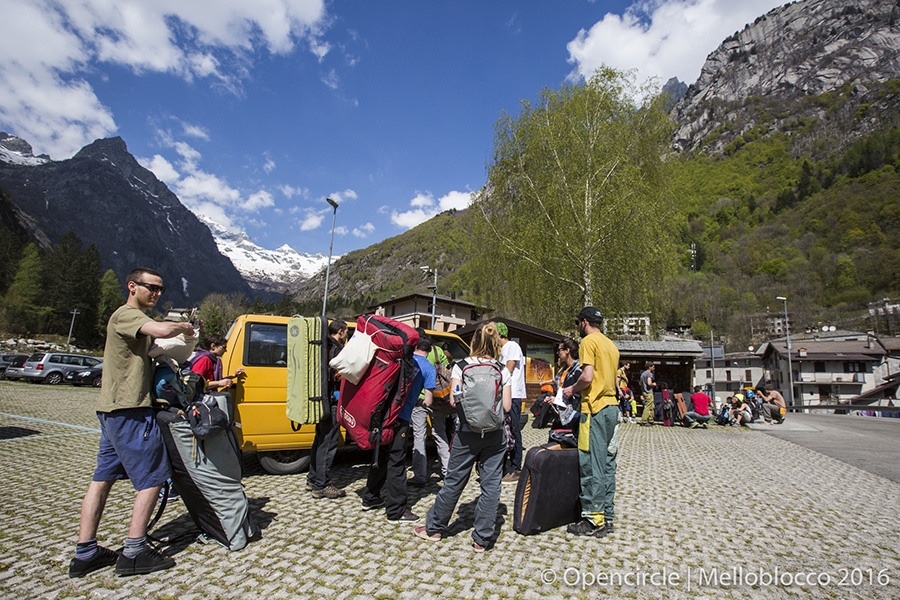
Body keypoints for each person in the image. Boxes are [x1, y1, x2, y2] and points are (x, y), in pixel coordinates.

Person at [69, 268, 196, 578]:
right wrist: (184, 326)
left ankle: (86, 552)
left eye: (161, 289)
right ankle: (135, 552)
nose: (156, 293)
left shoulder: (132, 320)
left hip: (112, 411)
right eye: (151, 287)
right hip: (130, 409)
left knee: (102, 478)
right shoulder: (128, 314)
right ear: (132, 286)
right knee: (154, 477)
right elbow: (162, 331)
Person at [415, 322, 512, 551]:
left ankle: (435, 527)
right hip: (495, 435)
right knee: (491, 485)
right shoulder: (502, 369)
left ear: (474, 342)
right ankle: (483, 539)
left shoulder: (460, 366)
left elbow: (453, 400)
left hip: (467, 432)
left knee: (455, 480)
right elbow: (507, 406)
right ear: (495, 342)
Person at [361, 334, 435, 522]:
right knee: (396, 461)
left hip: (383, 413)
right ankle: (396, 511)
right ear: (431, 350)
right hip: (400, 417)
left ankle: (370, 497)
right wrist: (416, 403)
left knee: (381, 456)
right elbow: (428, 400)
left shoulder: (402, 359)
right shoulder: (427, 367)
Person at [563, 307, 620, 538]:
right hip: (612, 409)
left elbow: (587, 377)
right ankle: (606, 514)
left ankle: (592, 518)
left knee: (591, 462)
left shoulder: (588, 342)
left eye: (578, 323)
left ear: (584, 323)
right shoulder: (611, 345)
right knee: (608, 463)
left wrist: (571, 389)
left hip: (594, 409)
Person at [306, 320, 349, 499]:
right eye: (346, 332)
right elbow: (340, 376)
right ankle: (321, 485)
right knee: (328, 443)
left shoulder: (322, 347)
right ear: (340, 331)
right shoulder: (336, 350)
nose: (347, 335)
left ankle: (313, 478)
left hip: (320, 399)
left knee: (319, 440)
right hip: (332, 401)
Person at [410, 330, 451, 485]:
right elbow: (448, 370)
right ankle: (447, 471)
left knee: (419, 436)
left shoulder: (414, 355)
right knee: (440, 433)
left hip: (420, 400)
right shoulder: (438, 350)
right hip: (438, 398)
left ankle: (420, 475)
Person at [497, 322, 525, 484]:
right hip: (505, 394)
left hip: (513, 394)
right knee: (506, 431)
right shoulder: (502, 350)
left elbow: (509, 369)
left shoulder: (512, 346)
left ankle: (516, 468)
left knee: (514, 430)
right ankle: (505, 466)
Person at [541, 337, 582, 430]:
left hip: (572, 416)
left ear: (567, 350)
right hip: (560, 414)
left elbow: (580, 393)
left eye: (559, 350)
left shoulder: (578, 369)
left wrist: (559, 399)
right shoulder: (562, 370)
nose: (557, 353)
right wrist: (554, 399)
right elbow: (562, 392)